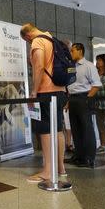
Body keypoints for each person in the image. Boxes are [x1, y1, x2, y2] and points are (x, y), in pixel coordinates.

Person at [20, 23, 67, 183]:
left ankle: (47, 171)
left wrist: (34, 91)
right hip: (60, 90)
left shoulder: (37, 41)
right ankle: (60, 167)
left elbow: (39, 66)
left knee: (45, 130)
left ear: (27, 36)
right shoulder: (52, 39)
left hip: (46, 91)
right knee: (58, 129)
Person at [66, 43, 102, 168]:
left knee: (87, 129)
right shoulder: (71, 66)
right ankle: (79, 156)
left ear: (80, 51)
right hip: (73, 98)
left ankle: (89, 158)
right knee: (75, 129)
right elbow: (70, 85)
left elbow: (96, 84)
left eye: (72, 51)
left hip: (84, 98)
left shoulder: (89, 66)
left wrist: (87, 99)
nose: (70, 53)